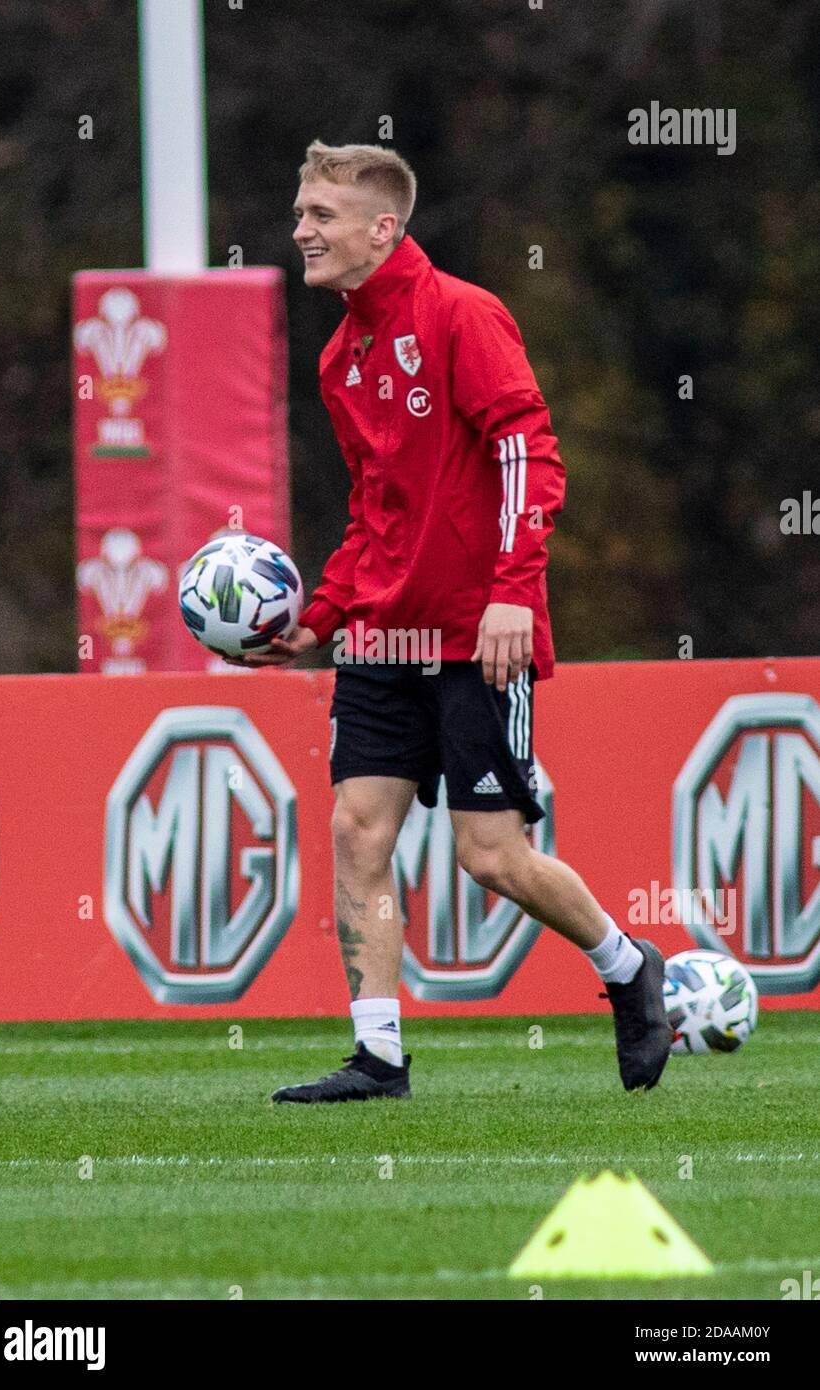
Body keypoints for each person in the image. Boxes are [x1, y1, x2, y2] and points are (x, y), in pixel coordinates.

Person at [226, 140, 672, 1101]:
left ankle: (630, 968)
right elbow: (373, 511)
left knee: (492, 858)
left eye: (320, 216)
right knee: (358, 831)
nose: (300, 229)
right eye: (301, 212)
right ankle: (379, 1056)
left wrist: (515, 587)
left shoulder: (463, 314)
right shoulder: (342, 354)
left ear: (382, 228)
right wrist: (323, 619)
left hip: (480, 633)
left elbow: (528, 452)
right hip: (385, 636)